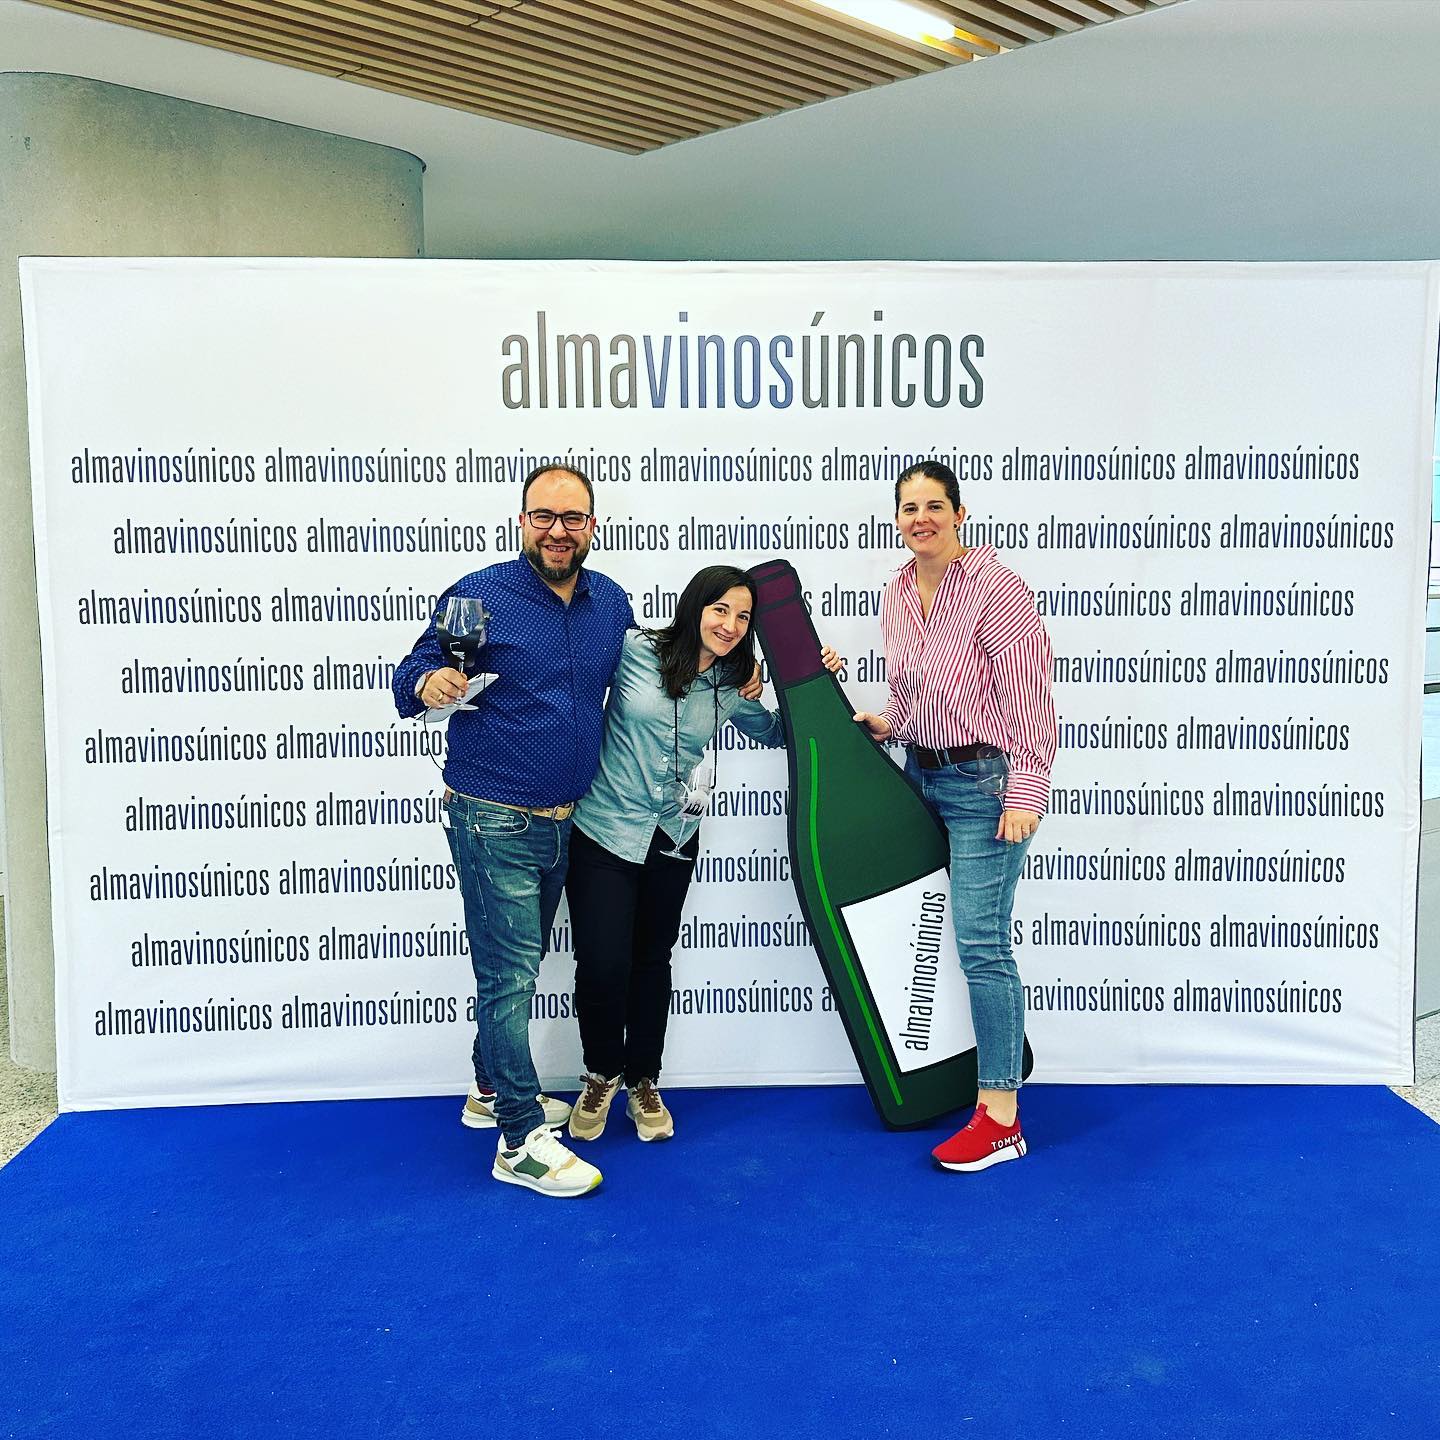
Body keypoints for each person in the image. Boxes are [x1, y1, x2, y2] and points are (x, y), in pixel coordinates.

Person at [392, 462, 633, 1198]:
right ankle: (520, 1140)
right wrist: (426, 682)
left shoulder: (611, 602)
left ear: (592, 525)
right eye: (544, 516)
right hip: (491, 816)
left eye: (573, 518)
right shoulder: (480, 594)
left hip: (567, 819)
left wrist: (741, 674)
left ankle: (490, 1089)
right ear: (522, 521)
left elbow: (655, 675)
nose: (558, 530)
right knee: (510, 976)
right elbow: (412, 674)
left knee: (510, 968)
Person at [562, 565, 841, 1144]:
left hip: (674, 837)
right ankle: (601, 1073)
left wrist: (812, 679)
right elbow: (576, 687)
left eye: (743, 617)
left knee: (651, 961)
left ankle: (642, 1079)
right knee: (603, 963)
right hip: (606, 829)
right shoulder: (633, 651)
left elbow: (776, 732)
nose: (731, 625)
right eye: (721, 610)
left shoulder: (732, 684)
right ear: (695, 607)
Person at [853, 460, 1056, 1173]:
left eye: (934, 506)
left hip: (983, 786)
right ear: (897, 519)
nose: (921, 519)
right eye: (909, 508)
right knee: (930, 935)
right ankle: (952, 1082)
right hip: (921, 777)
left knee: (981, 943)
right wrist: (890, 723)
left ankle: (1000, 1116)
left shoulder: (997, 586)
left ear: (960, 513)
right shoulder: (897, 590)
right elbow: (913, 693)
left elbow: (1031, 697)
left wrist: (1026, 792)